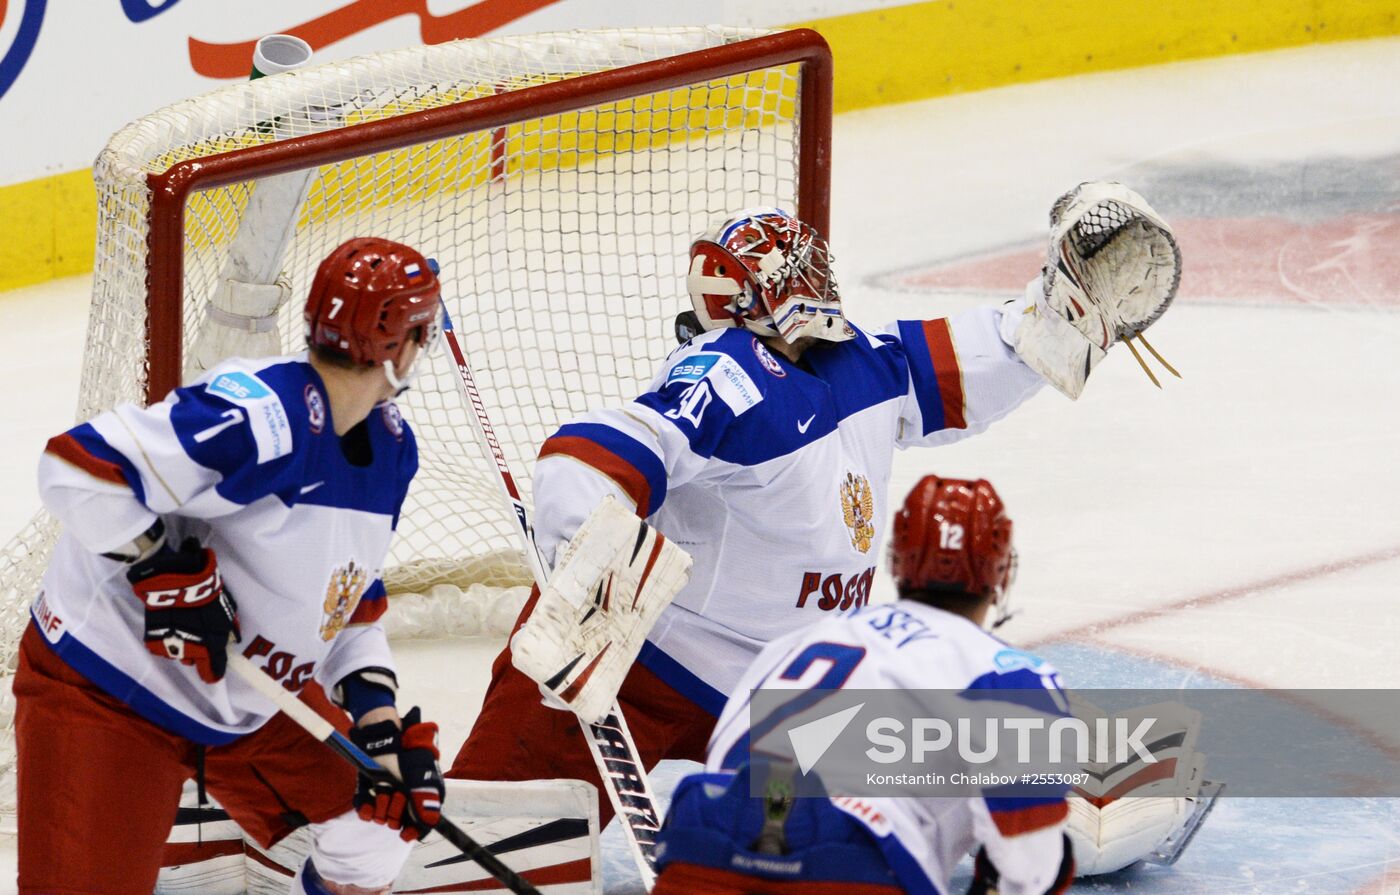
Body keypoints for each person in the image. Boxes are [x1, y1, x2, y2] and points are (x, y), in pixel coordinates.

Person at [447, 183, 1181, 829]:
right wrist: (588, 575)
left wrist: (1058, 311)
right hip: (636, 672)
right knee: (479, 850)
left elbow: (979, 354)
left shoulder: (856, 362)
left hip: (793, 696)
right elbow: (589, 454)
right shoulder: (728, 374)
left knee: (994, 803)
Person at [17, 237, 449, 895]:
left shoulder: (391, 450)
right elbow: (77, 467)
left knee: (380, 825)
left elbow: (347, 600)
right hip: (111, 686)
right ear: (399, 346)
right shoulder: (260, 417)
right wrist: (160, 564)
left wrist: (378, 721)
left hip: (247, 700)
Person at [651, 475, 1074, 895]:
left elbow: (726, 756)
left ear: (897, 562)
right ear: (1000, 573)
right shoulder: (1013, 676)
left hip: (704, 835)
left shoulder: (802, 638)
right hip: (852, 858)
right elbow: (1029, 867)